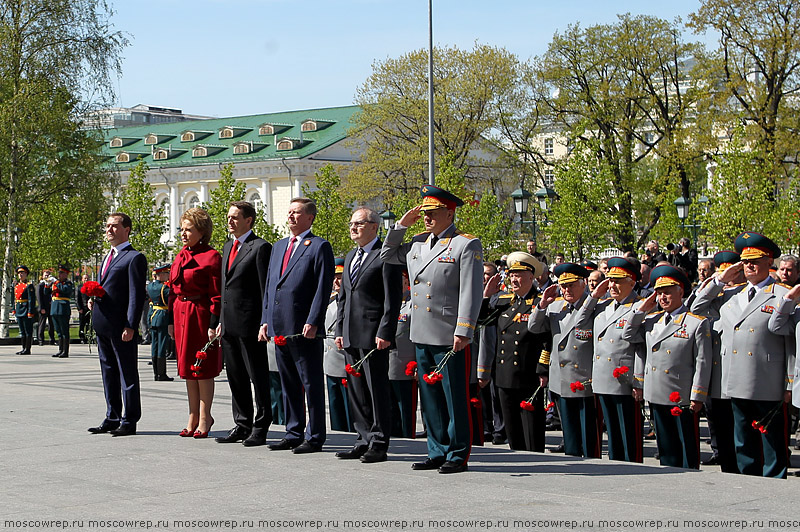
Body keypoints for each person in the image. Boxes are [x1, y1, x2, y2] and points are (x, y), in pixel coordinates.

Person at [381, 184, 484, 474]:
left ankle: (457, 453)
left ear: (449, 213)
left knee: (454, 397)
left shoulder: (465, 244)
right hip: (421, 330)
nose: (426, 218)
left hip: (449, 333)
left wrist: (464, 329)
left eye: (432, 212)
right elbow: (386, 256)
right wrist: (401, 225)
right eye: (423, 213)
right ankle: (436, 450)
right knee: (430, 398)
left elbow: (470, 291)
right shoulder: (416, 243)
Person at [695, 233, 793, 478]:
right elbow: (695, 309)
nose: (750, 266)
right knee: (743, 440)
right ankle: (749, 480)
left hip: (768, 379)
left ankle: (775, 482)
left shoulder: (783, 294)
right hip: (736, 379)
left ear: (769, 261)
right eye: (745, 261)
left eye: (756, 260)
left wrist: (791, 381)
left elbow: (792, 342)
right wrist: (719, 280)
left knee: (772, 441)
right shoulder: (731, 295)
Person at [258, 197, 334, 454]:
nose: (290, 216)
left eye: (296, 212)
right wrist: (265, 320)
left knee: (310, 382)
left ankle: (314, 436)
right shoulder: (279, 247)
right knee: (287, 381)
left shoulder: (319, 246)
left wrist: (313, 320)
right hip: (280, 325)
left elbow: (322, 288)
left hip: (303, 327)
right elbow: (270, 286)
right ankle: (293, 431)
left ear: (309, 217)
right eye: (289, 212)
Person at [622, 264, 711, 469]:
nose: (662, 298)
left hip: (680, 395)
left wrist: (697, 395)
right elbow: (628, 335)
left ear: (680, 292)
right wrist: (641, 310)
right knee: (666, 446)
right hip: (657, 392)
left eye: (667, 293)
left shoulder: (695, 323)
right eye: (659, 293)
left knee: (685, 444)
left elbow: (702, 361)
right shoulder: (652, 320)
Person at [335, 207, 403, 463]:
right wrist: (340, 330)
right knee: (356, 391)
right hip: (351, 334)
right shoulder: (351, 255)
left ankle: (379, 442)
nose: (353, 228)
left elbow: (392, 298)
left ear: (374, 226)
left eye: (359, 224)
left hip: (374, 335)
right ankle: (362, 438)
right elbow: (343, 298)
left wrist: (385, 331)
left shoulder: (384, 255)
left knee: (376, 390)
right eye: (351, 223)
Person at [214, 201, 273, 447]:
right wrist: (220, 321)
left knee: (257, 377)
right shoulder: (229, 246)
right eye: (229, 216)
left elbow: (264, 289)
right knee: (235, 376)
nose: (230, 221)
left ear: (249, 220)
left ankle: (260, 426)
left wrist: (265, 321)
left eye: (235, 217)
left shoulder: (259, 247)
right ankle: (242, 423)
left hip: (250, 324)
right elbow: (225, 288)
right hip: (229, 324)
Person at [528, 263, 601, 458]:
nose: (566, 290)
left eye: (571, 285)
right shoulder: (555, 306)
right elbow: (534, 328)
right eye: (563, 286)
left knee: (588, 433)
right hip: (560, 378)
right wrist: (542, 305)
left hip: (583, 378)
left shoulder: (594, 306)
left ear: (583, 284)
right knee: (569, 433)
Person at [480, 252, 550, 452]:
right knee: (512, 428)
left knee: (532, 429)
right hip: (504, 374)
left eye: (519, 275)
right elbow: (481, 321)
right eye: (511, 275)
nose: (514, 279)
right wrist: (486, 296)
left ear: (531, 277)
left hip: (528, 374)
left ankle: (537, 460)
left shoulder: (540, 302)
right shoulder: (503, 301)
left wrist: (543, 369)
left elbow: (547, 340)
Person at [577, 258, 644, 462]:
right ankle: (617, 465)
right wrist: (594, 296)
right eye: (610, 280)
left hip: (624, 379)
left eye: (618, 281)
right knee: (612, 432)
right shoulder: (603, 305)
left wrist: (638, 381)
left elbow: (641, 347)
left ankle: (634, 468)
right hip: (603, 377)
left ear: (631, 282)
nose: (612, 285)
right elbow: (580, 323)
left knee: (628, 432)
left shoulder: (640, 306)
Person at [88, 213, 147, 437]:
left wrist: (131, 324)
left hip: (122, 327)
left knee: (127, 372)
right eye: (107, 226)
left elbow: (135, 295)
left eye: (114, 226)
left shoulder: (134, 258)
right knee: (108, 371)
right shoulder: (107, 257)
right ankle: (112, 416)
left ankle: (129, 419)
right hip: (103, 324)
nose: (109, 230)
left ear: (127, 229)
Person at [168, 208, 223, 439]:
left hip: (199, 315)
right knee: (187, 370)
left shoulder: (211, 257)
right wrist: (170, 320)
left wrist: (213, 323)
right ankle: (192, 415)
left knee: (202, 368)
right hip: (181, 315)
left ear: (202, 232)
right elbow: (171, 289)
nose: (183, 233)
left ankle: (204, 416)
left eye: (189, 229)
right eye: (182, 229)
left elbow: (216, 294)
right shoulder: (180, 255)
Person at [690, 251, 741, 472]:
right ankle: (728, 467)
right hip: (718, 378)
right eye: (723, 272)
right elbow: (695, 309)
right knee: (721, 428)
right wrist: (717, 282)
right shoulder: (716, 298)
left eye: (731, 272)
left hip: (743, 376)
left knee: (744, 433)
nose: (728, 277)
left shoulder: (746, 295)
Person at [324, 258, 352, 432]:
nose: (336, 281)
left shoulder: (351, 301)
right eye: (334, 277)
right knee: (335, 406)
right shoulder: (329, 302)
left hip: (344, 361)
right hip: (329, 361)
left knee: (349, 407)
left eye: (340, 277)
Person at [146, 264, 173, 382]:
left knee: (154, 345)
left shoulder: (150, 287)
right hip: (162, 317)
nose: (168, 275)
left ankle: (155, 373)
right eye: (166, 273)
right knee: (162, 345)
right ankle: (161, 374)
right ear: (161, 275)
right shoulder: (165, 289)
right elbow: (170, 304)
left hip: (152, 316)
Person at [50, 264, 74, 358]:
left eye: (61, 273)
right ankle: (60, 350)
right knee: (59, 331)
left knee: (64, 331)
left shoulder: (68, 284)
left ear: (66, 274)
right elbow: (46, 292)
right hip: (54, 308)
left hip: (63, 309)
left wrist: (57, 283)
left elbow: (65, 290)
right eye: (59, 272)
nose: (59, 274)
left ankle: (65, 351)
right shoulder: (55, 283)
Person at [14, 265, 37, 355]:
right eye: (19, 273)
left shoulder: (29, 286)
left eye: (22, 273)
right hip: (19, 309)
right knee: (22, 331)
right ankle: (23, 347)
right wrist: (14, 309)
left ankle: (27, 349)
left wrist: (30, 311)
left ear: (26, 274)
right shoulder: (17, 285)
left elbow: (31, 300)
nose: (20, 275)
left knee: (28, 330)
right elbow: (15, 299)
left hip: (26, 309)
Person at [37, 270, 56, 346]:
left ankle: (52, 339)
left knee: (52, 324)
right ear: (42, 276)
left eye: (48, 275)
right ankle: (41, 340)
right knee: (42, 324)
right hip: (44, 307)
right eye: (45, 275)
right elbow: (39, 297)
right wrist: (41, 308)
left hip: (51, 306)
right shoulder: (41, 285)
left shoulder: (52, 285)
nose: (47, 277)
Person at [76, 274, 91, 344]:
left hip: (89, 308)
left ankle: (89, 337)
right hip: (82, 308)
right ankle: (82, 337)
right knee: (82, 324)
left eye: (87, 278)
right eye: (85, 278)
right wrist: (79, 308)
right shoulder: (79, 287)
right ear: (82, 279)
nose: (86, 279)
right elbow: (77, 298)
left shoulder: (91, 286)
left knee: (89, 324)